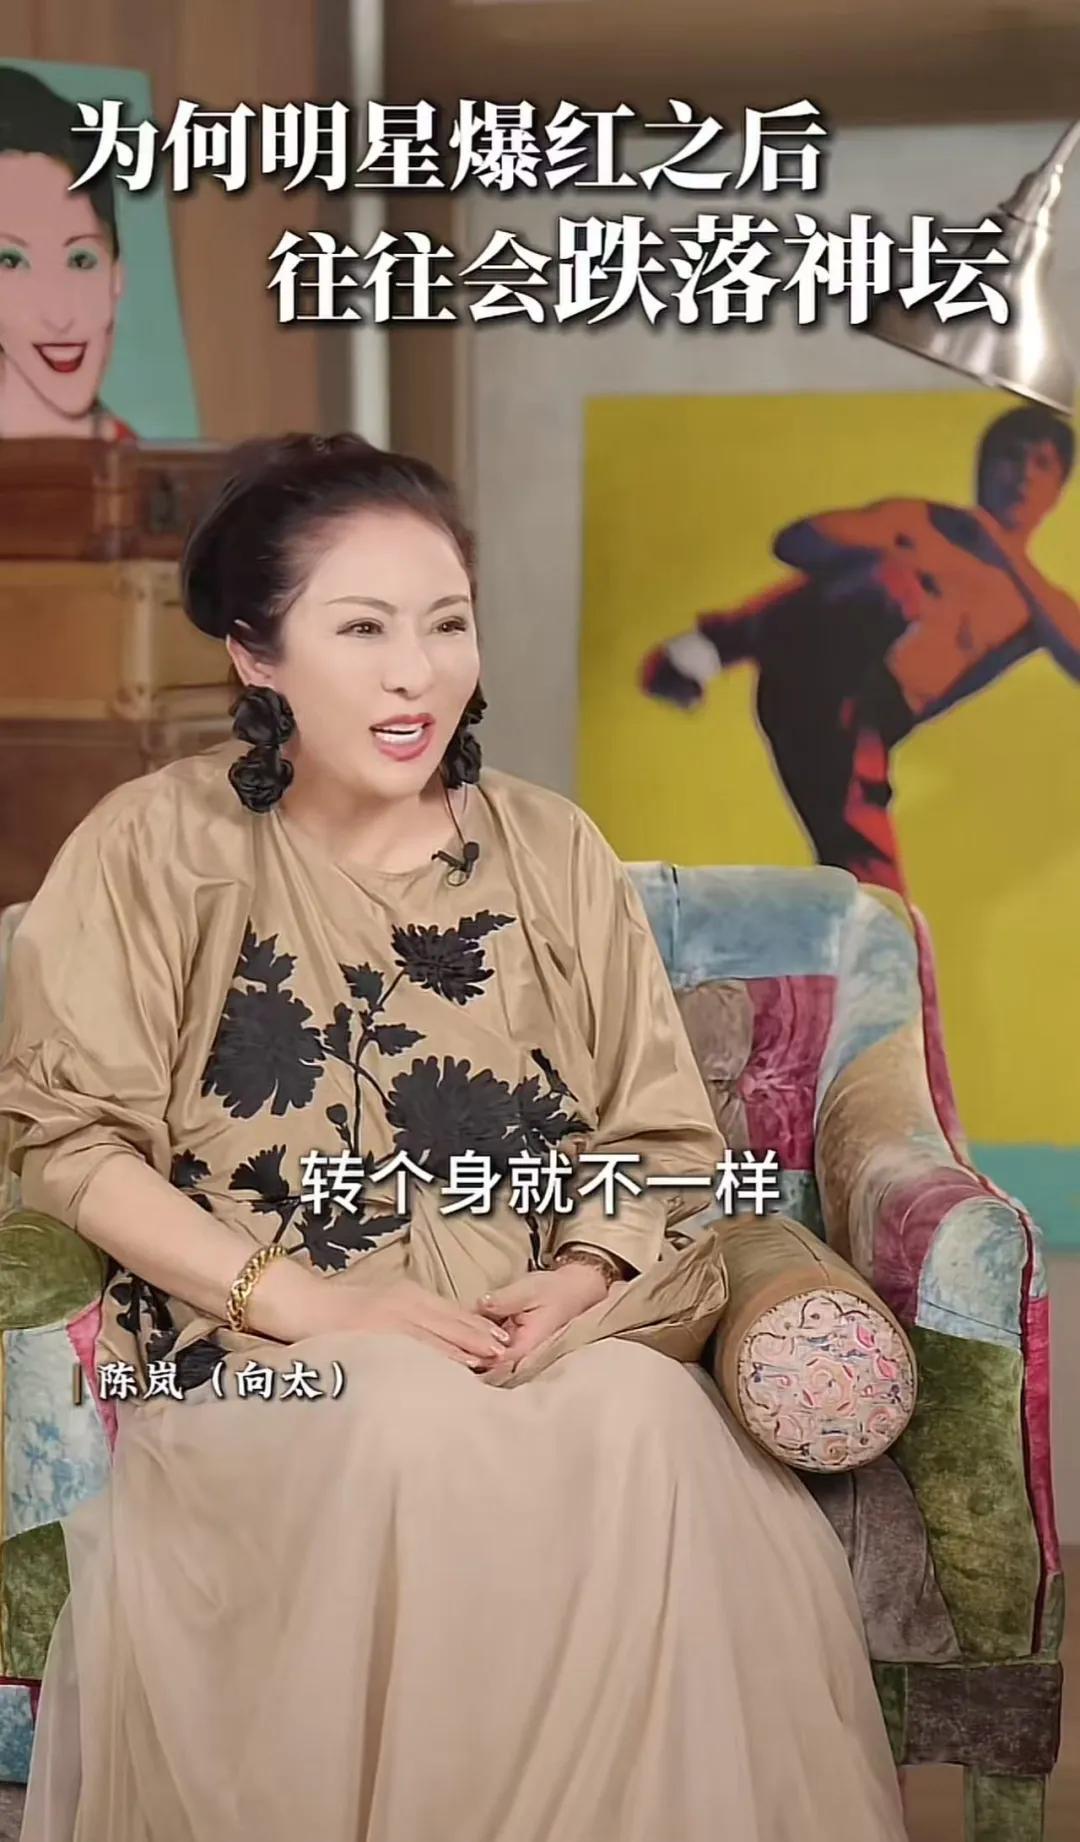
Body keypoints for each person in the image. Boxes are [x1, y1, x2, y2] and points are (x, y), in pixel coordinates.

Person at [0, 435, 908, 1842]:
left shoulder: (552, 850)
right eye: (362, 629)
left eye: (446, 624)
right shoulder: (154, 849)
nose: (416, 674)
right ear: (255, 653)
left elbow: (661, 1130)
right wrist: (314, 1303)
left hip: (533, 1330)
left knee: (649, 1427)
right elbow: (68, 1143)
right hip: (270, 1352)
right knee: (400, 1423)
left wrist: (586, 1273)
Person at [641, 405, 1079, 895]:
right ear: (984, 466)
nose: (1023, 474)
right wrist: (884, 552)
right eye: (1011, 457)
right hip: (815, 667)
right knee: (894, 582)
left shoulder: (1041, 606)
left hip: (865, 729)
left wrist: (1003, 551)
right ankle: (721, 643)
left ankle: (724, 641)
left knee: (877, 898)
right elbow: (795, 542)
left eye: (1041, 464)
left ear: (1058, 489)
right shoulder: (919, 522)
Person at [0, 65, 134, 439]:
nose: (60, 318)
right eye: (11, 261)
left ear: (116, 275)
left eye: (80, 260)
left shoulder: (150, 469)